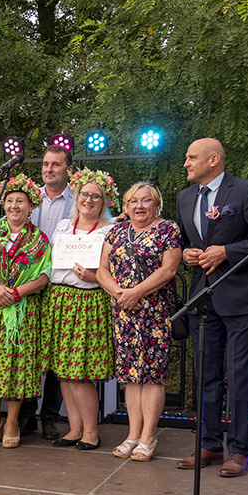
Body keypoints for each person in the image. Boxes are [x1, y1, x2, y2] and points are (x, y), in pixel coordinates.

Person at [175, 138, 248, 477]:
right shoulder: (185, 198)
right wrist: (185, 254)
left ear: (214, 160)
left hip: (240, 298)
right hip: (202, 299)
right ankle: (209, 444)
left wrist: (228, 251)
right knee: (205, 375)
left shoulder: (246, 191)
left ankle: (238, 450)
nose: (186, 163)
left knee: (239, 376)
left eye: (192, 157)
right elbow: (184, 240)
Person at [97, 182, 182, 462]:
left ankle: (148, 437)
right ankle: (133, 435)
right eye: (133, 201)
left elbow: (169, 269)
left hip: (154, 312)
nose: (139, 206)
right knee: (130, 376)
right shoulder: (116, 231)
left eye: (146, 200)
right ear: (125, 206)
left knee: (152, 375)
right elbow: (102, 270)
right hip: (123, 311)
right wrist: (120, 294)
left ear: (156, 204)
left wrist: (137, 292)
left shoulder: (168, 229)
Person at [0, 174, 51, 449]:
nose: (14, 206)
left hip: (22, 310)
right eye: (9, 201)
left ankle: (12, 422)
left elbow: (44, 275)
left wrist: (15, 293)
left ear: (31, 206)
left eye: (20, 201)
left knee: (17, 364)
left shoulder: (39, 239)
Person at [42, 169, 117, 450]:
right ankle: (74, 429)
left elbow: (114, 270)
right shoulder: (63, 226)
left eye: (96, 196)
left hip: (88, 301)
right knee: (63, 370)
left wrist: (94, 276)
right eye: (84, 194)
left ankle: (91, 432)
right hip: (59, 299)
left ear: (104, 201)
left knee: (80, 371)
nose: (89, 200)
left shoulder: (110, 230)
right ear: (77, 197)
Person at [17, 144, 75, 440]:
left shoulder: (79, 199)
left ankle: (50, 417)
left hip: (62, 284)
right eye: (45, 164)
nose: (49, 169)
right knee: (28, 348)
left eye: (55, 164)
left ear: (68, 169)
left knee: (55, 352)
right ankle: (26, 414)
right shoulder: (29, 199)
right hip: (28, 283)